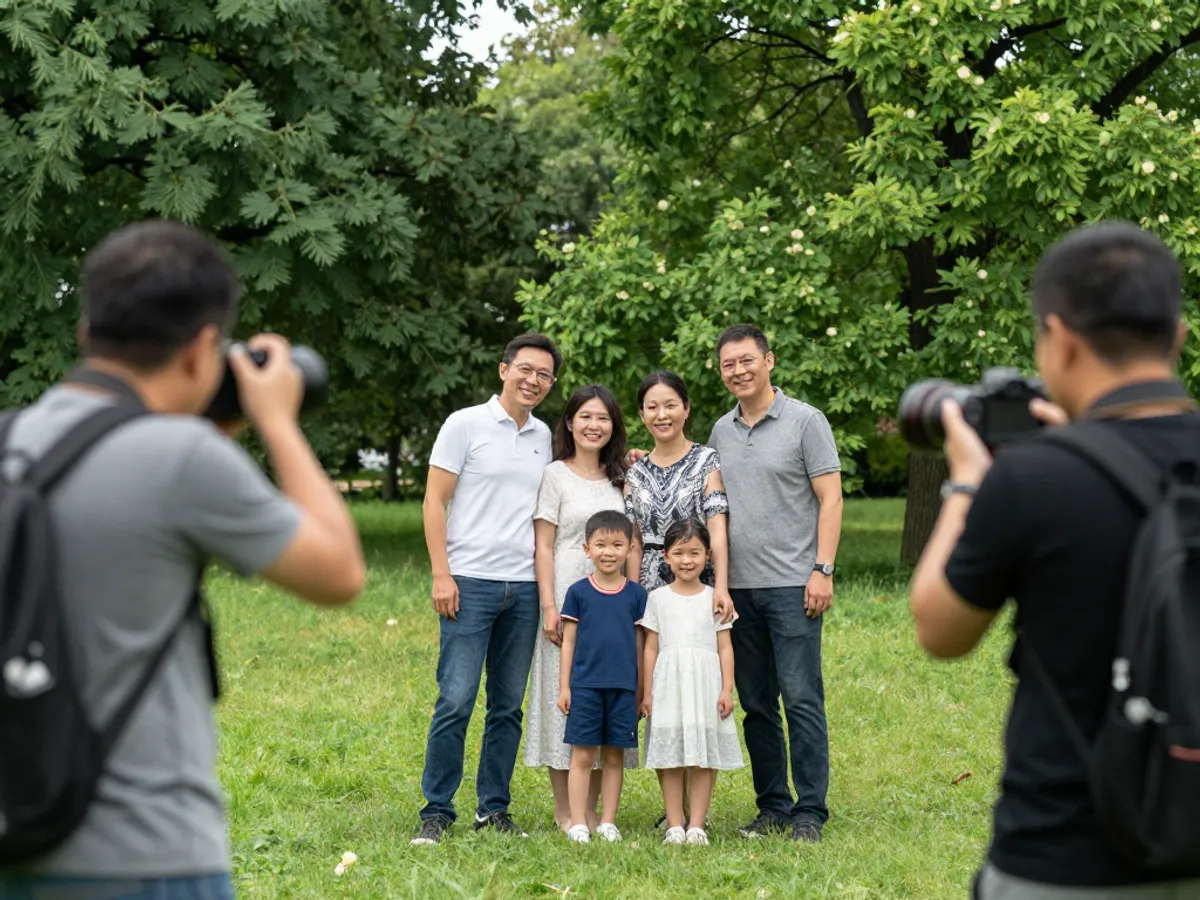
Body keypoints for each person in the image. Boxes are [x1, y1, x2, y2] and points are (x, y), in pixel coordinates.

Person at [0, 219, 366, 899]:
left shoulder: (12, 437)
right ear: (204, 347)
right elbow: (338, 572)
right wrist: (276, 420)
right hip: (145, 853)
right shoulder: (186, 461)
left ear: (86, 331)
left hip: (17, 836)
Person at [909, 221, 1200, 898]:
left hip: (1063, 851)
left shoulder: (1034, 479)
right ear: (1178, 335)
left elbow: (939, 630)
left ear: (1060, 338)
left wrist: (965, 484)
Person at [412, 332, 562, 846]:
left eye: (544, 375)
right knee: (455, 699)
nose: (533, 380)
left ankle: (493, 808)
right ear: (504, 370)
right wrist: (441, 573)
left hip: (523, 587)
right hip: (468, 583)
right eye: (525, 369)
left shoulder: (545, 435)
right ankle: (437, 809)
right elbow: (434, 501)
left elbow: (584, 463)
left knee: (507, 706)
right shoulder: (464, 424)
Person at [707, 324, 843, 843]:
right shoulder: (721, 431)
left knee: (801, 697)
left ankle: (810, 809)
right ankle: (773, 807)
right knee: (757, 702)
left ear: (769, 360)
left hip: (794, 585)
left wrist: (822, 569)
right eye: (728, 365)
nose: (738, 371)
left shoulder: (807, 422)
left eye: (746, 360)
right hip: (738, 589)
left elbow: (830, 499)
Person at [526, 384, 639, 833]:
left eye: (604, 418)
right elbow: (544, 544)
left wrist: (632, 597)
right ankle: (566, 809)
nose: (594, 425)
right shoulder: (555, 475)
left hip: (614, 602)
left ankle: (593, 810)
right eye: (585, 417)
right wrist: (549, 604)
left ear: (614, 427)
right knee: (568, 696)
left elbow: (632, 541)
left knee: (606, 692)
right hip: (567, 600)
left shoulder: (623, 478)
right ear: (570, 423)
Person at [640, 518, 743, 846]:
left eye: (695, 553)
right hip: (668, 685)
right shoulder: (657, 599)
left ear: (708, 556)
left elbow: (725, 647)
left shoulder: (716, 599)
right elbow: (650, 647)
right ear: (666, 556)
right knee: (670, 755)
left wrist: (727, 688)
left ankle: (697, 825)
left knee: (703, 754)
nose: (687, 560)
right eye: (680, 553)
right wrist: (646, 693)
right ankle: (674, 823)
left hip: (705, 686)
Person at [557, 510, 648, 844]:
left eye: (617, 545)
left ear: (629, 549)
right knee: (582, 757)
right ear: (586, 549)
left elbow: (641, 647)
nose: (608, 552)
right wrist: (564, 686)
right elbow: (568, 642)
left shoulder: (637, 596)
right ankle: (579, 821)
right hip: (585, 687)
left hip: (623, 689)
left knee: (614, 758)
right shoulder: (578, 593)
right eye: (600, 544)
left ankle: (608, 821)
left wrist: (641, 691)